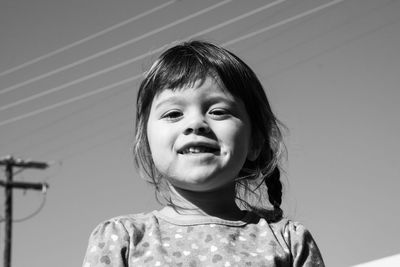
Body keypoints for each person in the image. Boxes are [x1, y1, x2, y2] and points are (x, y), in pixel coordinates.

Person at [82, 40, 325, 266]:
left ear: (255, 142)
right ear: (146, 144)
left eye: (218, 111)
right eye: (173, 114)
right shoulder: (122, 238)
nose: (196, 123)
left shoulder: (290, 242)